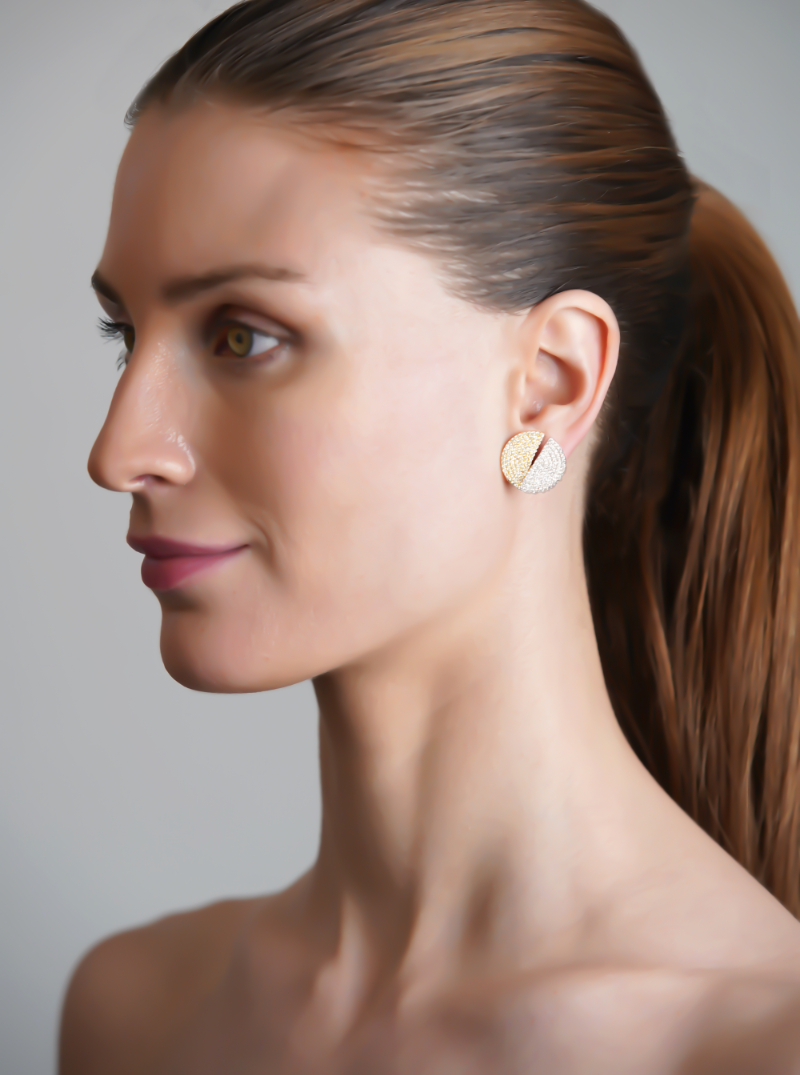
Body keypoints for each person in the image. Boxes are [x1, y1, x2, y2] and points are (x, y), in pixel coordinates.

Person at [58, 1, 800, 1071]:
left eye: (242, 336)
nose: (120, 449)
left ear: (549, 383)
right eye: (126, 334)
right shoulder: (132, 1013)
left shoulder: (754, 1045)